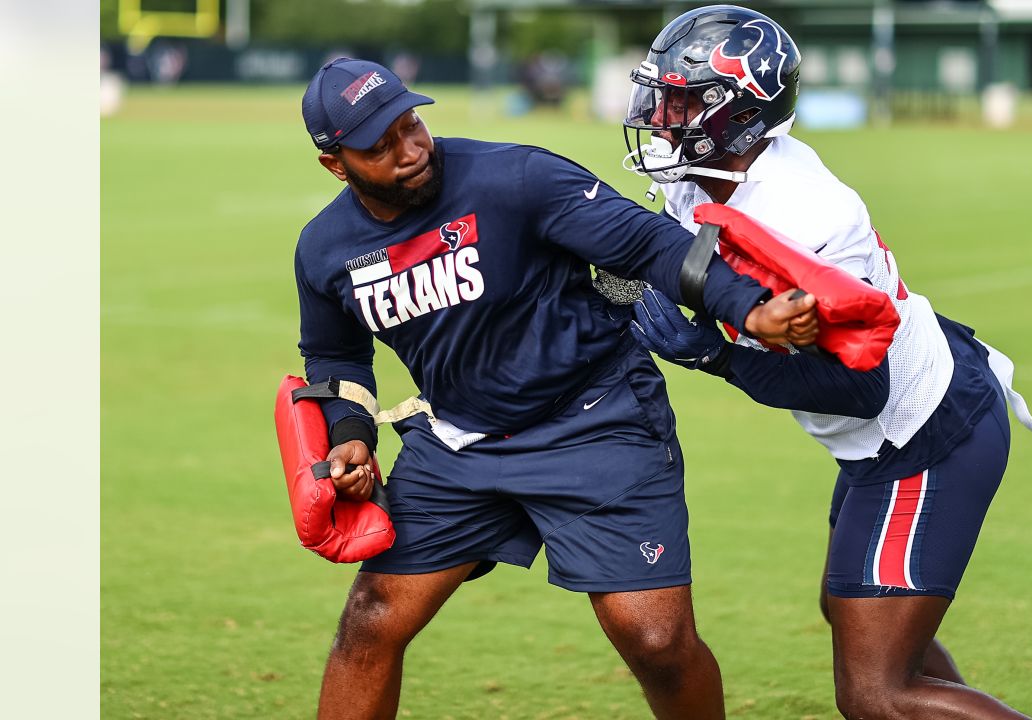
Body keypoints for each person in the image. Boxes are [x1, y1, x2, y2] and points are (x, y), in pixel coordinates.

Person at [292, 56, 818, 719]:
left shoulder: (514, 178)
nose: (411, 150)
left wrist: (750, 308)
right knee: (371, 621)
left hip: (594, 420)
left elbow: (647, 244)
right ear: (337, 165)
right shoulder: (324, 249)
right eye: (380, 145)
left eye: (411, 125)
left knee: (654, 639)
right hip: (458, 445)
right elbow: (335, 356)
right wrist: (350, 438)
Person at [619, 6, 1032, 719]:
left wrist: (714, 356)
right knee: (863, 622)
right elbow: (654, 262)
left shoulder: (808, 213)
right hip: (893, 434)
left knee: (877, 694)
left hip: (924, 434)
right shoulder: (700, 175)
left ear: (737, 113)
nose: (659, 112)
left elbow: (857, 386)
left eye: (681, 98)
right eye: (661, 93)